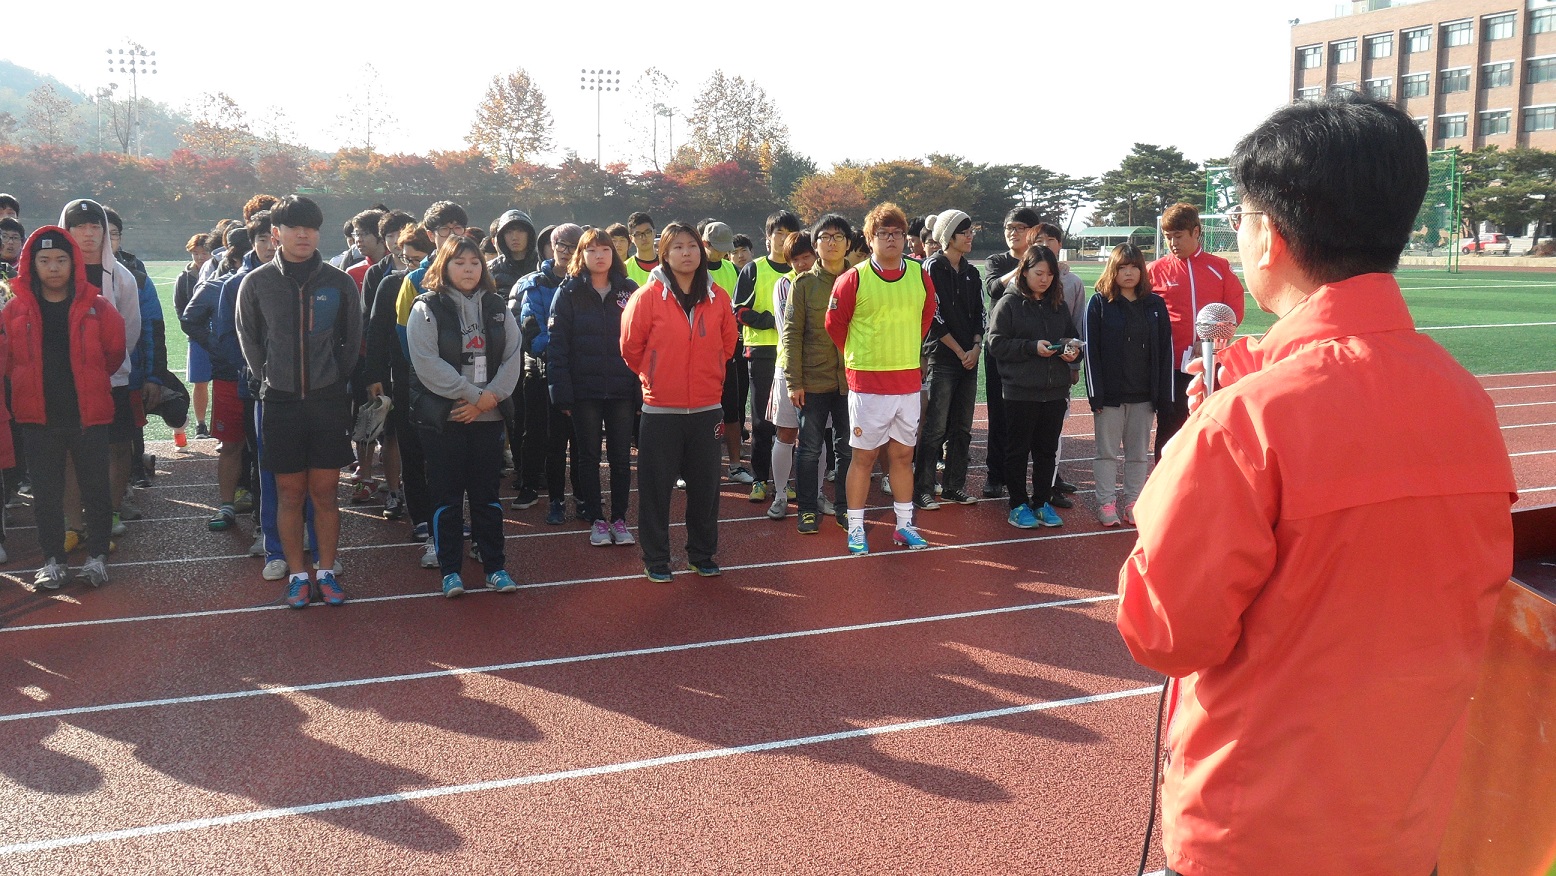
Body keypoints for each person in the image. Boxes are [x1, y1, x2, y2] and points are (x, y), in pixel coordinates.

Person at [1116, 92, 1517, 876]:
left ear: (1270, 234)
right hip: (1406, 821)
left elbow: (1164, 632)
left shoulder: (1243, 426)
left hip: (1256, 832)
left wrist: (1192, 452)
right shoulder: (1466, 401)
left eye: (1241, 214)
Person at [236, 195, 361, 609]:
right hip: (280, 403)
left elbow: (352, 338)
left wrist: (334, 377)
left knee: (325, 493)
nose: (303, 234)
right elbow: (249, 338)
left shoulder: (338, 282)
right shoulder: (257, 283)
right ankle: (296, 574)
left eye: (309, 226)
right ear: (277, 234)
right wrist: (269, 376)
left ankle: (326, 570)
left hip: (327, 402)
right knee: (289, 494)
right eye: (293, 227)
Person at [4, 227, 125, 588]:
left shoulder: (98, 306)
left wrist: (90, 384)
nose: (53, 268)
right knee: (46, 494)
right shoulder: (13, 310)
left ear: (73, 263)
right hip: (37, 417)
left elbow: (114, 353)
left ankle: (97, 557)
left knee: (95, 490)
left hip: (88, 415)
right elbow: (7, 362)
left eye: (60, 260)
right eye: (44, 261)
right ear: (31, 265)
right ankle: (53, 560)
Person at [619, 221, 737, 582]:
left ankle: (701, 555)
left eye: (692, 246)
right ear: (664, 254)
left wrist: (710, 370)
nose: (686, 253)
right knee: (656, 489)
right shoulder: (647, 296)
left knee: (706, 489)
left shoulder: (718, 296)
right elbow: (630, 347)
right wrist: (655, 376)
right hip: (661, 409)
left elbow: (728, 344)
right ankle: (656, 559)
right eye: (677, 247)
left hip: (706, 408)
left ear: (701, 252)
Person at [406, 235, 522, 597]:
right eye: (460, 262)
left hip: (488, 418)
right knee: (446, 497)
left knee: (487, 496)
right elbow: (426, 363)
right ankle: (450, 570)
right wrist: (474, 395)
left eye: (475, 262)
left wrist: (490, 400)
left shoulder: (498, 306)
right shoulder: (426, 307)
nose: (469, 269)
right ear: (444, 266)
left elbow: (513, 356)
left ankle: (496, 567)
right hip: (447, 418)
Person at [824, 202, 936, 556]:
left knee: (903, 457)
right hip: (868, 385)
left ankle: (904, 526)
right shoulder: (853, 278)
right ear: (870, 239)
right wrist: (861, 357)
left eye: (898, 233)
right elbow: (835, 325)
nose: (892, 239)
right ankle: (856, 528)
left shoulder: (920, 275)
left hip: (906, 383)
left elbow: (925, 317)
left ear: (906, 238)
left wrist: (904, 353)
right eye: (883, 234)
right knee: (864, 458)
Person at [548, 228, 641, 546]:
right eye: (591, 250)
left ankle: (619, 518)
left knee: (620, 457)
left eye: (604, 249)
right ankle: (597, 520)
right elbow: (557, 346)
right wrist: (560, 390)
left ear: (613, 254)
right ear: (581, 256)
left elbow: (644, 339)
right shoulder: (569, 291)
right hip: (583, 389)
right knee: (586, 456)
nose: (599, 255)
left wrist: (641, 386)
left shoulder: (629, 289)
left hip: (621, 389)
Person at [58, 200, 140, 546]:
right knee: (71, 452)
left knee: (118, 447)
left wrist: (108, 369)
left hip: (112, 379)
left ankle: (111, 511)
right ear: (67, 230)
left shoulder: (121, 276)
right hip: (65, 381)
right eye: (79, 227)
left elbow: (130, 331)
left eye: (95, 227)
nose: (88, 234)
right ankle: (73, 522)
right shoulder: (54, 273)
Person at [986, 244, 1079, 529]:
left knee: (1046, 451)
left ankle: (1041, 502)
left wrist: (1072, 350)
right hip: (1020, 391)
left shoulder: (1058, 305)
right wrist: (1030, 347)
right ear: (1024, 272)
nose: (1045, 279)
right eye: (1039, 273)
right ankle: (1017, 504)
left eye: (1050, 274)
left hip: (1054, 391)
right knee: (1017, 450)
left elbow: (1072, 338)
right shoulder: (1009, 303)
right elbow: (996, 343)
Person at [1147, 201, 1244, 459]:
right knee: (1169, 427)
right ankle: (1166, 487)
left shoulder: (1219, 267)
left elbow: (1234, 308)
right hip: (1172, 367)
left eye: (1178, 236)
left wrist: (1214, 340)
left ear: (1196, 232)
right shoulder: (1154, 271)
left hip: (1212, 364)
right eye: (1168, 237)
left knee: (1212, 424)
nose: (1172, 243)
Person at [1082, 244, 1171, 527]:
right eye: (1122, 267)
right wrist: (1096, 396)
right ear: (1113, 270)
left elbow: (1165, 351)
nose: (1128, 272)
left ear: (1142, 270)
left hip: (1144, 396)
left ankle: (1134, 502)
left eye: (1134, 267)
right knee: (1106, 453)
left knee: (1137, 455)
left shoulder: (1155, 305)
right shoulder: (1098, 303)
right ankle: (1106, 502)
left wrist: (1163, 396)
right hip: (1110, 397)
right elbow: (1090, 352)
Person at [781, 214, 852, 534]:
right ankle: (807, 510)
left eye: (838, 237)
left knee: (848, 449)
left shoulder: (860, 279)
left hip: (852, 380)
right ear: (816, 244)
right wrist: (794, 381)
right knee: (809, 449)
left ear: (848, 243)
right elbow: (792, 334)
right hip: (812, 379)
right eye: (825, 237)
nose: (832, 242)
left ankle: (847, 509)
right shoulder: (804, 283)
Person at [914, 209, 983, 510]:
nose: (970, 236)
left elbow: (981, 312)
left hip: (970, 357)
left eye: (970, 231)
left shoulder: (971, 272)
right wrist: (959, 350)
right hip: (944, 357)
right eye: (964, 230)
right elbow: (933, 315)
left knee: (962, 428)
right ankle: (924, 489)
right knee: (935, 428)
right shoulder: (931, 267)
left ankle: (955, 486)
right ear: (948, 236)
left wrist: (976, 347)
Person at [515, 223, 583, 526]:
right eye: (562, 245)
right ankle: (536, 489)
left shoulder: (588, 281)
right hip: (542, 371)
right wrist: (562, 353)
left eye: (573, 246)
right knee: (541, 434)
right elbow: (532, 330)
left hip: (581, 374)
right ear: (550, 247)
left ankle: (583, 496)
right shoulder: (533, 282)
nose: (567, 252)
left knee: (581, 440)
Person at [734, 210, 802, 504]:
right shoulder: (754, 269)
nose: (783, 239)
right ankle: (760, 480)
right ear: (768, 237)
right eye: (778, 233)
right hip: (762, 354)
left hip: (796, 357)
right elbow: (739, 312)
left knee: (795, 425)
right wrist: (774, 320)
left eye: (789, 233)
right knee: (762, 422)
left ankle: (787, 482)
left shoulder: (803, 270)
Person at [981, 207, 1039, 498]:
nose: (1012, 233)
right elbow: (993, 288)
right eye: (1008, 228)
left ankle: (1043, 478)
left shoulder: (1043, 261)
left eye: (1018, 227)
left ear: (1033, 230)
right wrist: (1022, 269)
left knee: (1033, 415)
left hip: (1031, 348)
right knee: (998, 413)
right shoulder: (997, 261)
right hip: (1000, 348)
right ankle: (995, 474)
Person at [1032, 222, 1086, 507]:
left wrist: (1075, 363)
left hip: (1059, 372)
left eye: (1050, 239)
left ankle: (1051, 481)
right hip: (1028, 375)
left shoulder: (1072, 283)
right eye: (1039, 239)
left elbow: (1076, 326)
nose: (1045, 244)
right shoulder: (1020, 281)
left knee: (1055, 430)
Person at [763, 230, 815, 520]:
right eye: (796, 259)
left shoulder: (830, 282)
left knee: (818, 436)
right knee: (786, 433)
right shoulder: (785, 285)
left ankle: (816, 494)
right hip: (790, 369)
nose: (802, 264)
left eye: (806, 257)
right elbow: (788, 332)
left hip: (822, 372)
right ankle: (781, 493)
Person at [702, 221, 750, 482]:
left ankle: (735, 465)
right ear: (705, 244)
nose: (722, 253)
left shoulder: (733, 269)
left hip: (729, 352)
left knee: (732, 410)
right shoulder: (694, 270)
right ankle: (690, 468)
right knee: (699, 413)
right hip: (699, 353)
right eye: (717, 249)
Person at [174, 232, 215, 441]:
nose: (200, 257)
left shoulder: (219, 272)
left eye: (204, 252)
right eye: (195, 253)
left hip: (221, 335)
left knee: (226, 382)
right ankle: (201, 425)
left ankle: (221, 424)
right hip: (198, 338)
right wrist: (197, 333)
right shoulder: (184, 278)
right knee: (200, 382)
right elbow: (181, 311)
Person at [623, 212, 659, 287]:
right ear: (631, 238)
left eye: (648, 232)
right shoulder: (624, 269)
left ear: (654, 233)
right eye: (638, 234)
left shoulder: (668, 264)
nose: (644, 238)